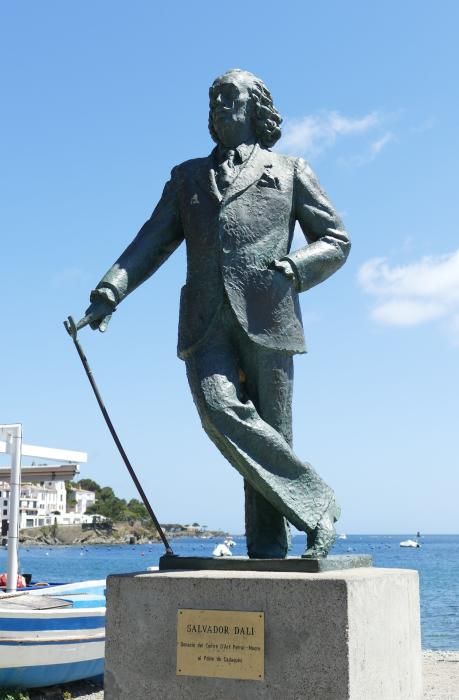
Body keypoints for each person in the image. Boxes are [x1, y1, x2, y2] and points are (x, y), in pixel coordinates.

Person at [81, 69, 351, 558]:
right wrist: (110, 289)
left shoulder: (290, 170)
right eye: (214, 100)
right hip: (206, 320)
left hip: (270, 312)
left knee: (274, 430)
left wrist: (295, 267)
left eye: (230, 97)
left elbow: (335, 240)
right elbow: (151, 241)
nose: (220, 106)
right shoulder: (187, 177)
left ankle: (269, 551)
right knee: (216, 409)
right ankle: (318, 505)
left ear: (256, 108)